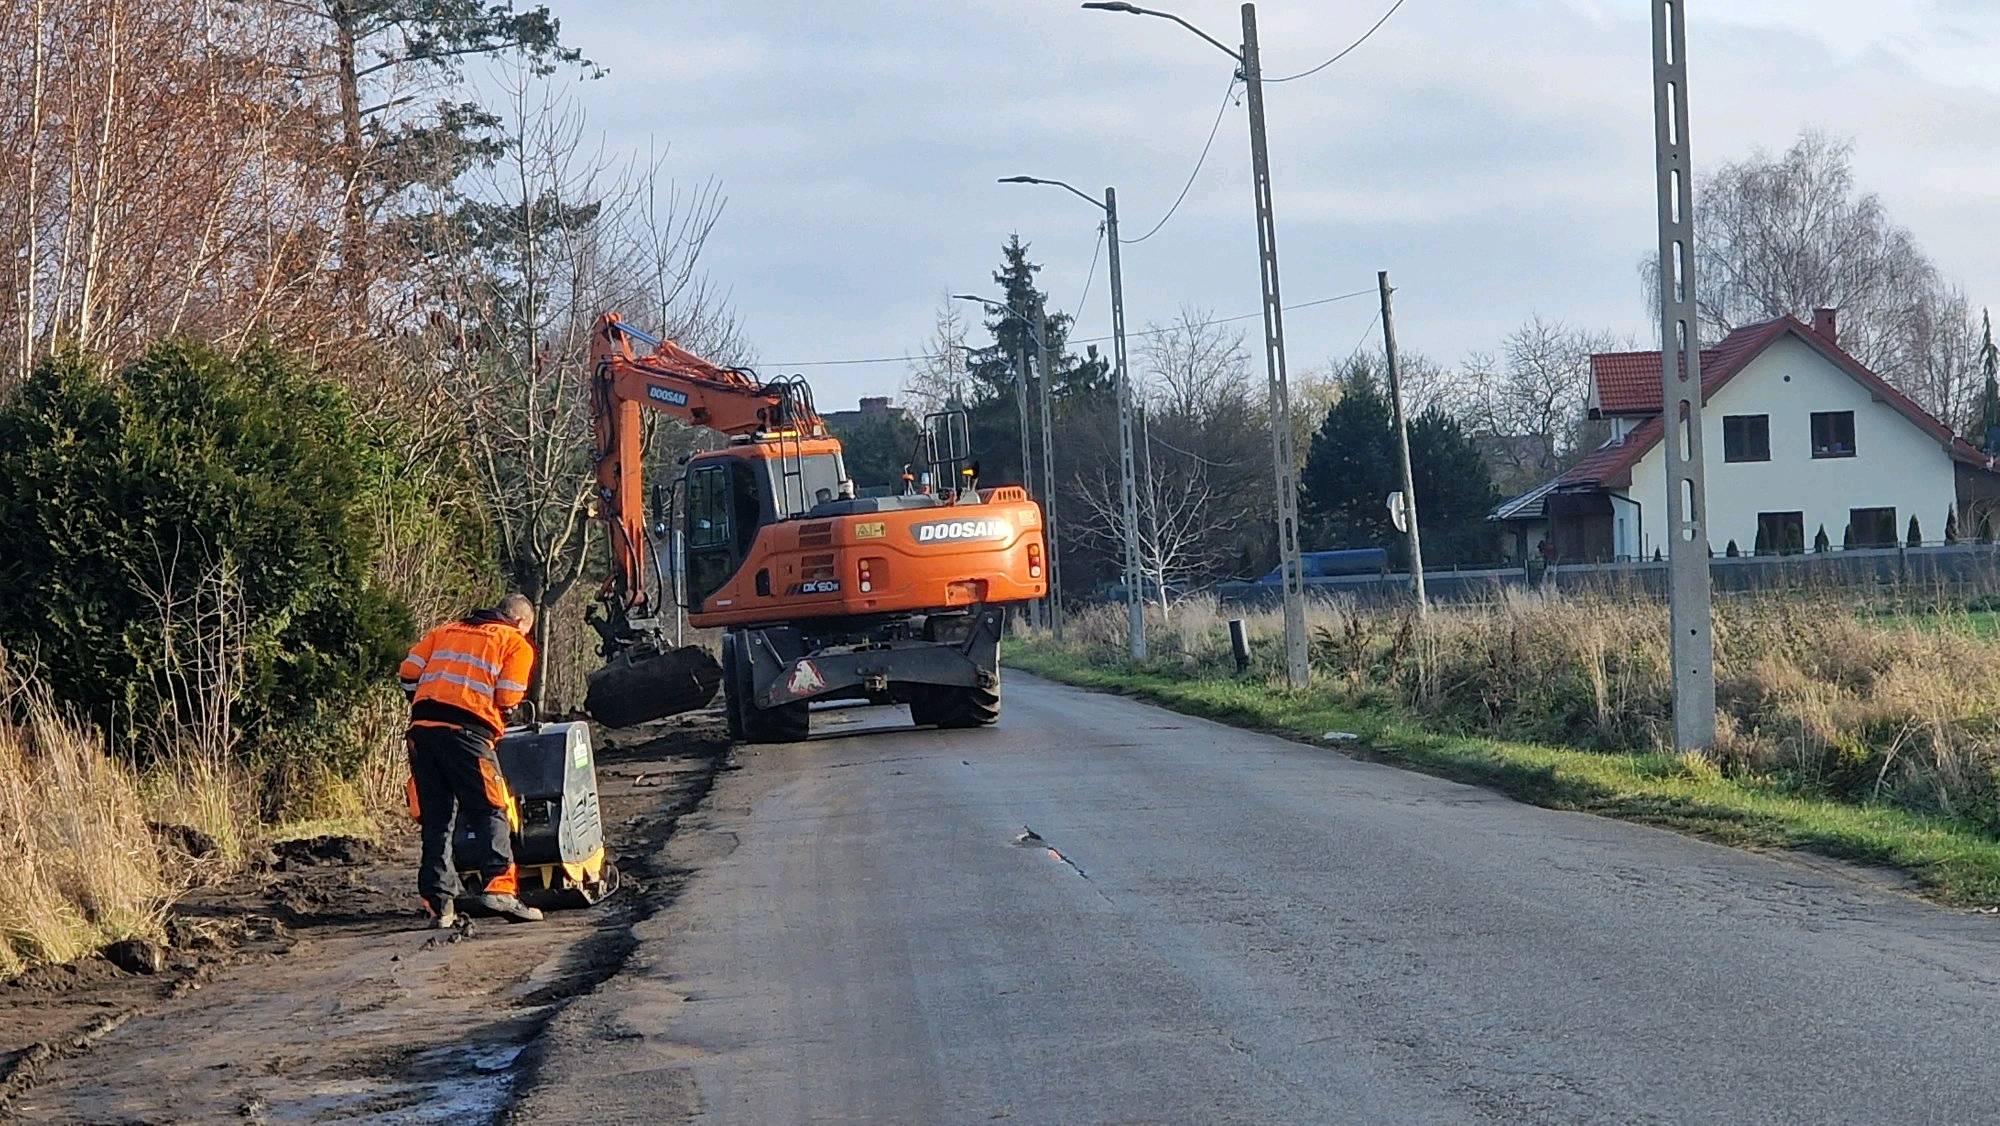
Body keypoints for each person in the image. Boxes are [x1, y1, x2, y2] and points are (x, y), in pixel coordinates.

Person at [398, 594, 543, 926]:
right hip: (468, 734)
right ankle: (500, 889)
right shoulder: (515, 643)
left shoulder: (445, 631)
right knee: (491, 808)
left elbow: (408, 672)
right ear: (520, 623)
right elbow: (507, 695)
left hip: (423, 731)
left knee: (437, 820)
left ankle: (439, 905)